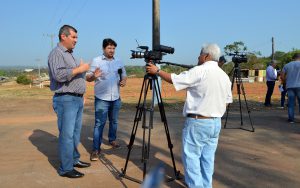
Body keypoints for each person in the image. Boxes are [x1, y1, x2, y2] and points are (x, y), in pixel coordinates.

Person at [146, 43, 232, 188]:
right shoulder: (224, 76)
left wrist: (157, 71)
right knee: (207, 159)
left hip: (198, 122)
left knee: (192, 158)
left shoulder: (199, 71)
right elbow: (227, 102)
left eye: (200, 54)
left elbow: (175, 79)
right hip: (215, 122)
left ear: (206, 56)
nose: (198, 57)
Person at [48, 25, 91, 178]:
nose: (76, 40)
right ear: (63, 36)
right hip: (66, 100)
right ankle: (65, 168)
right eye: (73, 37)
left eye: (76, 37)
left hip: (76, 99)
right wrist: (80, 69)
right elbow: (59, 76)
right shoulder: (56, 54)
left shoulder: (69, 54)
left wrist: (81, 94)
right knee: (66, 135)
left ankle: (74, 160)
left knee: (74, 134)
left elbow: (73, 77)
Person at [86, 38, 127, 161]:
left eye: (113, 48)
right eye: (109, 48)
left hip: (115, 97)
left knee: (114, 121)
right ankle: (95, 150)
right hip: (101, 98)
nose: (112, 50)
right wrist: (94, 76)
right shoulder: (96, 61)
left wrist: (123, 81)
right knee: (99, 123)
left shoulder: (119, 61)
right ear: (104, 48)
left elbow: (124, 75)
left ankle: (112, 140)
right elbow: (88, 77)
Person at [281, 53, 300, 123]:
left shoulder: (287, 65)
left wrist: (285, 82)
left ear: (293, 58)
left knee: (291, 103)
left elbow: (282, 76)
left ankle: (291, 119)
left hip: (290, 86)